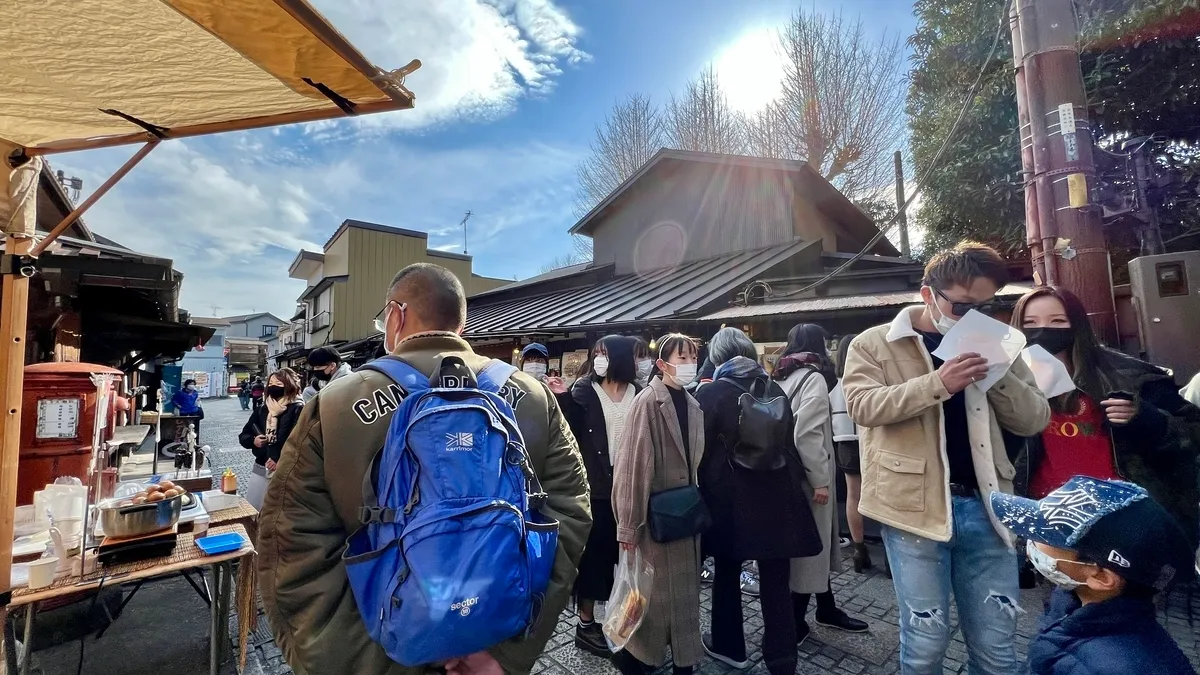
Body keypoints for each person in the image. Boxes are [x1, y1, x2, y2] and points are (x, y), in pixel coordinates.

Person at [257, 263, 591, 675]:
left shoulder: (333, 405)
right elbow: (570, 516)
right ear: (460, 322)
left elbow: (289, 547)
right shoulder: (535, 396)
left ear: (396, 315)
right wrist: (506, 655)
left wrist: (366, 662)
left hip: (383, 644)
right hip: (494, 635)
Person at [842, 241, 1051, 675]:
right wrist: (938, 382)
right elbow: (863, 407)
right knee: (925, 644)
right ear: (928, 294)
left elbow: (1034, 419)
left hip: (987, 506)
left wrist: (995, 374)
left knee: (998, 647)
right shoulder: (874, 343)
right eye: (961, 306)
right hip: (911, 510)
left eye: (986, 306)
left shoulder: (999, 343)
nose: (973, 317)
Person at [1009, 286, 1200, 543]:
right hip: (1053, 522)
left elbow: (1192, 433)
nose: (1043, 330)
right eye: (1029, 323)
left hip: (1130, 519)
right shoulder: (1007, 382)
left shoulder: (1130, 376)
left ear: (1077, 325)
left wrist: (1146, 419)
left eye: (1057, 321)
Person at [695, 327, 822, 674]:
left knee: (726, 572)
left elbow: (699, 453)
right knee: (776, 580)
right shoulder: (774, 387)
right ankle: (782, 657)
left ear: (717, 357)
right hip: (779, 495)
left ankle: (728, 645)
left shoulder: (712, 394)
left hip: (730, 498)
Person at [990, 476, 1197, 675]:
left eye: (1047, 536)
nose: (1030, 539)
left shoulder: (1106, 667)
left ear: (1101, 578)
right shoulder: (1074, 605)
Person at [611, 333, 704, 675]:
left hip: (685, 516)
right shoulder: (648, 402)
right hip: (654, 518)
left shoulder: (693, 404)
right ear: (663, 363)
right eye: (683, 357)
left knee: (683, 598)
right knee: (650, 597)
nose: (689, 364)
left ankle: (684, 659)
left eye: (693, 356)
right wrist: (628, 526)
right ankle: (636, 657)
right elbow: (633, 468)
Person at [774, 324, 870, 643]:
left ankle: (826, 608)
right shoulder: (812, 377)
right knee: (811, 550)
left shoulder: (780, 374)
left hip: (786, 473)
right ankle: (795, 623)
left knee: (814, 546)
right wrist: (819, 481)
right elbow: (808, 433)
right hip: (808, 476)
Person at [553, 335, 640, 658]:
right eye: (596, 353)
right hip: (598, 488)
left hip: (630, 487)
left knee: (629, 559)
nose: (599, 358)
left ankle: (625, 621)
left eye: (605, 353)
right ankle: (586, 624)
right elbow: (569, 429)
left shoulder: (639, 392)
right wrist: (562, 398)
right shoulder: (584, 389)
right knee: (595, 556)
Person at [831, 333, 874, 572]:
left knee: (853, 496)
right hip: (873, 440)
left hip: (845, 442)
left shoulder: (834, 382)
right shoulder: (869, 377)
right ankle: (889, 554)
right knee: (883, 493)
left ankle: (859, 550)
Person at [238, 368, 304, 510]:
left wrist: (278, 458)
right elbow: (244, 435)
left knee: (278, 509)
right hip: (261, 464)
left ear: (290, 385)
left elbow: (298, 440)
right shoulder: (263, 408)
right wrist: (253, 440)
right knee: (253, 506)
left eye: (279, 384)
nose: (274, 386)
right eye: (271, 383)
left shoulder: (298, 408)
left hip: (285, 469)